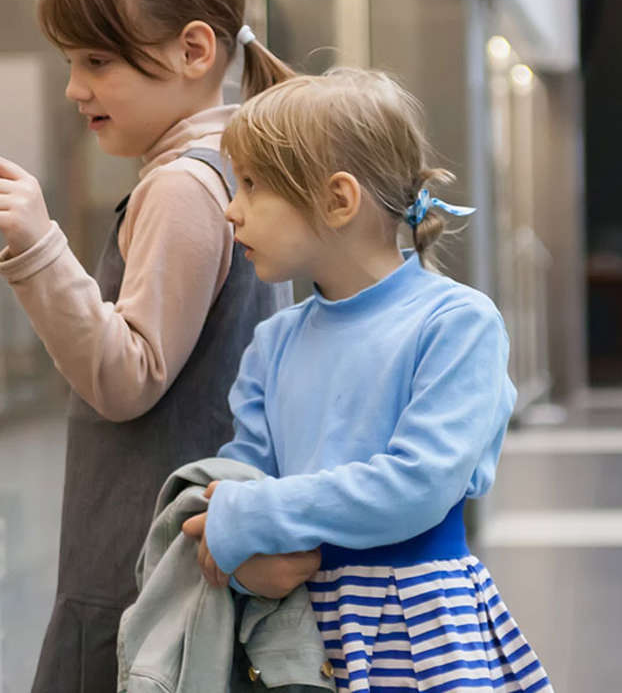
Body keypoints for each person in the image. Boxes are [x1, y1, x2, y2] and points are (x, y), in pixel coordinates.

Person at [0, 0, 293, 693]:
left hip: (142, 562)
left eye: (97, 61)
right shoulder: (230, 170)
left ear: (193, 50)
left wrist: (40, 246)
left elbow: (128, 376)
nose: (75, 87)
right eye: (71, 61)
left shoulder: (183, 184)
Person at [185, 68, 553, 692]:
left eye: (250, 186)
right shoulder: (273, 341)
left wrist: (250, 518)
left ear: (338, 198)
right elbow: (237, 487)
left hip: (418, 632)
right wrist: (247, 568)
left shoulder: (457, 323)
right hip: (291, 639)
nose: (230, 208)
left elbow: (417, 485)